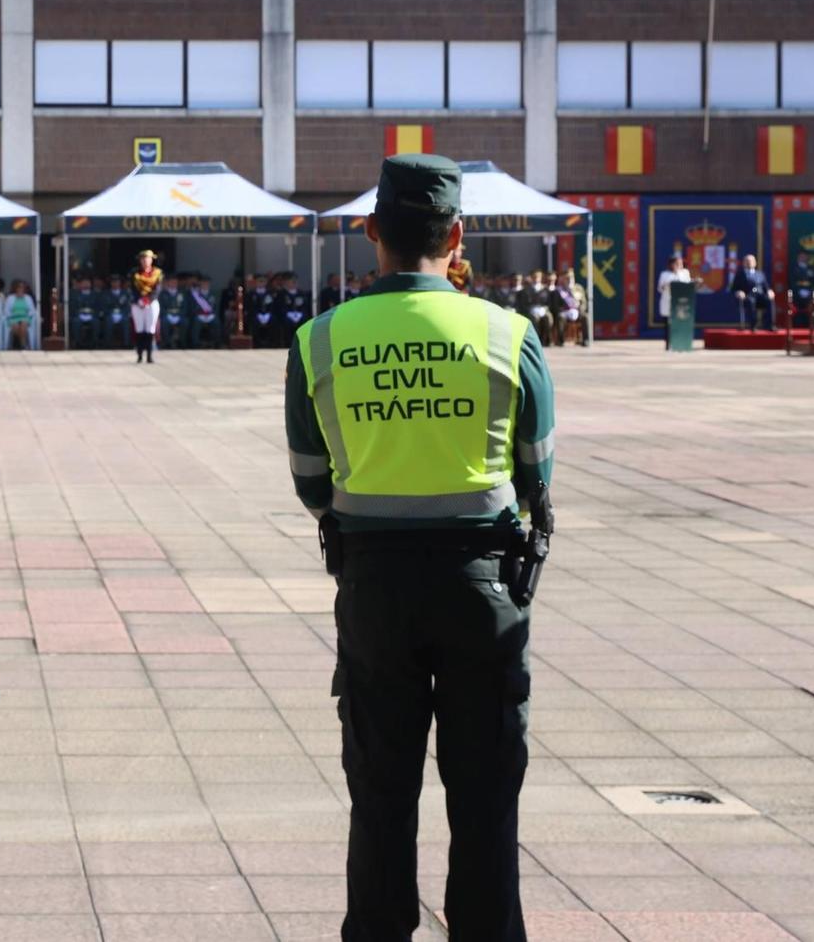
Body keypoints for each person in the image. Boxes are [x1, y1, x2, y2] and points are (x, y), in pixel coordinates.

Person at [285, 153, 554, 942]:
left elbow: (310, 481)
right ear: (458, 235)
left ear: (372, 233)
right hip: (483, 586)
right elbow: (536, 472)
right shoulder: (508, 334)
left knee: (381, 790)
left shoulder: (321, 339)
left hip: (374, 589)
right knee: (484, 794)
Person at [732, 253, 773, 331]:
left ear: (755, 263)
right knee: (751, 301)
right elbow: (734, 288)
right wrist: (739, 292)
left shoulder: (760, 274)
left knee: (769, 301)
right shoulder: (740, 274)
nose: (749, 263)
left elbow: (766, 287)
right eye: (747, 261)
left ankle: (769, 325)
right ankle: (753, 325)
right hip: (748, 296)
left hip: (760, 296)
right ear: (743, 263)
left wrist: (769, 291)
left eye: (751, 261)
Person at [657, 253, 692, 326]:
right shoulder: (664, 274)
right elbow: (660, 289)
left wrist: (678, 272)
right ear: (671, 264)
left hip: (682, 303)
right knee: (669, 325)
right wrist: (666, 285)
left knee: (680, 324)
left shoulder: (685, 272)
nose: (680, 265)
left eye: (681, 263)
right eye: (678, 263)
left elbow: (687, 284)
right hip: (668, 302)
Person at [186, 275, 221, 348]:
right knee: (195, 322)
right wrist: (198, 314)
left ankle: (217, 342)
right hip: (199, 315)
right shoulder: (195, 294)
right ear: (200, 284)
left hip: (210, 315)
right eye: (204, 283)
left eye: (207, 283)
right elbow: (192, 307)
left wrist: (212, 314)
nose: (205, 285)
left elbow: (216, 307)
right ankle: (195, 343)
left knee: (217, 322)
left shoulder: (213, 294)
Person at [4, 278, 38, 351]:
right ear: (15, 288)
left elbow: (32, 310)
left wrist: (27, 315)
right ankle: (23, 344)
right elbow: (6, 310)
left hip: (25, 317)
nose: (20, 289)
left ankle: (22, 346)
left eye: (22, 287)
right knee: (16, 326)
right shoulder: (10, 298)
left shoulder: (28, 298)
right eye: (19, 287)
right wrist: (11, 316)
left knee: (23, 324)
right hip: (13, 317)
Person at [129, 283, 160, 362]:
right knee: (139, 329)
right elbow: (132, 289)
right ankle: (139, 355)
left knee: (150, 329)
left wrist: (149, 299)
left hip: (151, 302)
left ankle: (149, 356)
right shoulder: (135, 274)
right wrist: (139, 300)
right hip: (137, 303)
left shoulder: (155, 273)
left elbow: (157, 288)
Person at [70, 274, 100, 350]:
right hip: (79, 315)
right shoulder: (75, 294)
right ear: (80, 284)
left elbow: (98, 306)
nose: (86, 284)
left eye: (88, 282)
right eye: (84, 282)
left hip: (92, 315)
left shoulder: (95, 294)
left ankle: (95, 342)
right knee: (76, 322)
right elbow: (73, 307)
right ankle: (78, 343)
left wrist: (93, 313)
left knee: (96, 322)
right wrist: (79, 313)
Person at [282, 272, 312, 343]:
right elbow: (280, 308)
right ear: (285, 282)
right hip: (287, 317)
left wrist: (300, 314)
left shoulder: (301, 293)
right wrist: (290, 315)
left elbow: (305, 306)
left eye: (295, 280)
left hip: (300, 316)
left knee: (304, 322)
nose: (294, 282)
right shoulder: (281, 294)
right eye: (291, 280)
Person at [104, 273, 131, 349]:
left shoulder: (125, 293)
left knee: (125, 321)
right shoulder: (106, 293)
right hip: (111, 314)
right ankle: (108, 344)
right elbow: (104, 306)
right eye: (113, 282)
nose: (115, 283)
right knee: (108, 320)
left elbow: (127, 306)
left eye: (117, 281)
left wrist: (123, 313)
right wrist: (110, 313)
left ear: (120, 283)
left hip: (122, 314)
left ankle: (126, 344)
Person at [157, 273, 184, 349]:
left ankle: (182, 342)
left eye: (175, 282)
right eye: (172, 282)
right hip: (167, 315)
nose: (173, 284)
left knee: (185, 321)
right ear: (168, 283)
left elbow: (185, 307)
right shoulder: (162, 294)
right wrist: (167, 315)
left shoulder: (181, 293)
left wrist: (180, 314)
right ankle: (167, 342)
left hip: (178, 315)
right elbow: (160, 307)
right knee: (164, 322)